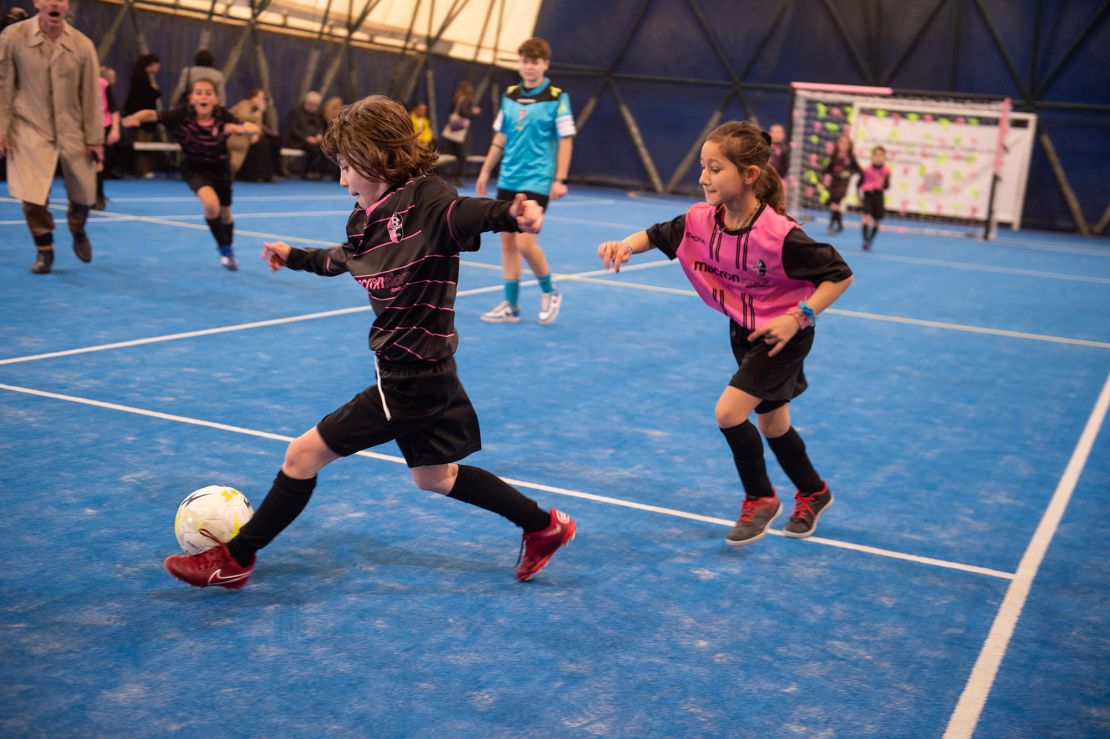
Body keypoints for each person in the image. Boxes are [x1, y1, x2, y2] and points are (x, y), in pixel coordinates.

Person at [162, 95, 577, 590]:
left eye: (346, 166)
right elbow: (345, 258)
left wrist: (514, 214)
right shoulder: (362, 218)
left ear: (374, 153)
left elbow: (467, 214)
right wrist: (295, 256)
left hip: (413, 378)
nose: (342, 180)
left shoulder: (428, 199)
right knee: (435, 477)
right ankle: (543, 527)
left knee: (301, 456)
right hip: (421, 369)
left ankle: (235, 558)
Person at [597, 121, 853, 546]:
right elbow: (657, 234)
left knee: (729, 413)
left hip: (783, 334)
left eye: (715, 169)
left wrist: (799, 316)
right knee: (772, 425)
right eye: (703, 167)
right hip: (745, 331)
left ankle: (760, 498)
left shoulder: (780, 235)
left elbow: (839, 275)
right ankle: (814, 491)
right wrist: (624, 245)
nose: (703, 177)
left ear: (749, 175)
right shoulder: (701, 221)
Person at [476, 37, 574, 325]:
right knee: (507, 243)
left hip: (537, 180)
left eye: (535, 62)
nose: (529, 67)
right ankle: (511, 305)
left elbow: (566, 140)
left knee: (525, 244)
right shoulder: (509, 95)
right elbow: (501, 137)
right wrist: (485, 171)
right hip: (508, 177)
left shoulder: (557, 97)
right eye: (524, 61)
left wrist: (561, 178)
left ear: (545, 64)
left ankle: (549, 291)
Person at [0, 0, 103, 275]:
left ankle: (77, 229)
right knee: (32, 196)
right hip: (29, 127)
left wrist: (94, 138)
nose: (55, 3)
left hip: (73, 129)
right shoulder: (13, 37)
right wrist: (1, 128)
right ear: (38, 3)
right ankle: (44, 249)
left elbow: (92, 95)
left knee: (83, 194)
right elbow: (4, 84)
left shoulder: (83, 45)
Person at [122, 78, 259, 270]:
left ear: (216, 99)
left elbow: (254, 127)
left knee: (226, 214)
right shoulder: (180, 115)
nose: (203, 96)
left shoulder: (223, 116)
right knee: (211, 205)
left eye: (208, 93)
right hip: (194, 168)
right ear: (191, 99)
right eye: (199, 92)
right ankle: (225, 251)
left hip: (220, 169)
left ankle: (228, 246)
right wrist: (136, 117)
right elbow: (151, 114)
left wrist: (241, 128)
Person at [123, 53, 162, 178]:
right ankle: (142, 170)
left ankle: (135, 169)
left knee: (136, 143)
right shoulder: (142, 78)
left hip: (134, 115)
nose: (158, 68)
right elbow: (148, 95)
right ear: (151, 65)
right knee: (143, 144)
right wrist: (155, 89)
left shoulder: (138, 76)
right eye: (157, 65)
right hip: (143, 118)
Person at [440, 79, 481, 186]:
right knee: (462, 156)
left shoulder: (457, 98)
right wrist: (473, 112)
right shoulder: (466, 99)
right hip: (460, 131)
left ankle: (453, 177)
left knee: (458, 156)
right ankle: (456, 177)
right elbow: (464, 113)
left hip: (454, 129)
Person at [821, 133, 861, 233]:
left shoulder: (851, 157)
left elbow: (858, 170)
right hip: (833, 182)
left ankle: (832, 225)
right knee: (835, 204)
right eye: (841, 142)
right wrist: (827, 175)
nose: (843, 145)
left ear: (849, 145)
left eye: (846, 143)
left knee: (835, 203)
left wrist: (849, 173)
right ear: (838, 144)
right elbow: (825, 169)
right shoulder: (833, 156)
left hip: (843, 184)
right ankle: (839, 225)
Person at [96, 65, 121, 210]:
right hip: (76, 128)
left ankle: (98, 196)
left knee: (97, 161)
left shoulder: (102, 84)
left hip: (100, 126)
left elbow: (114, 109)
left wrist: (115, 129)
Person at [285, 90, 327, 179]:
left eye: (316, 105)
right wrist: (306, 138)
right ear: (307, 102)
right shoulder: (295, 112)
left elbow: (321, 128)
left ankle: (317, 172)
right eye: (313, 104)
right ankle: (308, 171)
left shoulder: (318, 114)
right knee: (312, 149)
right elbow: (293, 130)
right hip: (298, 141)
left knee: (325, 148)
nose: (315, 107)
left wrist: (319, 135)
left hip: (315, 141)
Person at [859, 145, 891, 251]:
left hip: (878, 196)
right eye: (876, 155)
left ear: (884, 157)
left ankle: (870, 239)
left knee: (877, 221)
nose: (878, 157)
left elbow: (887, 186)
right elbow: (859, 184)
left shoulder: (886, 171)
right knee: (866, 218)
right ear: (872, 156)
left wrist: (882, 183)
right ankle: (865, 241)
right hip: (868, 195)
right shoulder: (867, 170)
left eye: (881, 155)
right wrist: (859, 197)